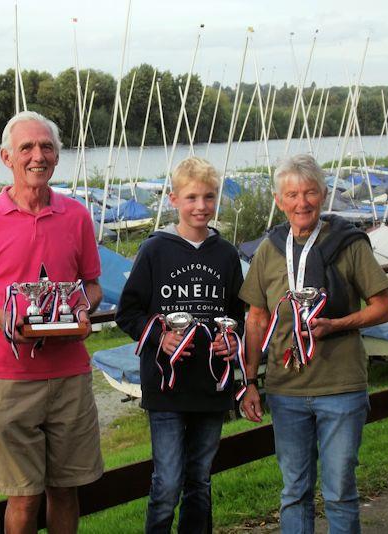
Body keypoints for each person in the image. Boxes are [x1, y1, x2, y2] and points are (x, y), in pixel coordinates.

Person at [0, 110, 104, 533]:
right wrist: (6, 318)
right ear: (7, 157)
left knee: (66, 490)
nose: (37, 156)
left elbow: (92, 286)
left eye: (46, 147)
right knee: (23, 497)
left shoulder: (76, 215)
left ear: (57, 155)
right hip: (9, 378)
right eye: (27, 148)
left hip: (70, 376)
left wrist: (81, 310)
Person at [240, 154, 388, 533]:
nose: (301, 203)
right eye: (292, 194)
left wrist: (338, 323)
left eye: (310, 193)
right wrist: (248, 382)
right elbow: (256, 318)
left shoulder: (349, 244)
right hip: (285, 390)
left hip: (341, 388)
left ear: (323, 196)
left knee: (340, 490)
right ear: (279, 200)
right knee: (294, 491)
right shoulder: (269, 249)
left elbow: (384, 308)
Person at [115, 157, 245, 533]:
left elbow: (237, 314)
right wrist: (160, 335)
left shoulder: (226, 254)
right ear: (173, 200)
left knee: (199, 481)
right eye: (191, 198)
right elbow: (128, 312)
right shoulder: (155, 250)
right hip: (166, 386)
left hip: (210, 385)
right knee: (167, 483)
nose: (201, 206)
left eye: (209, 197)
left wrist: (231, 341)